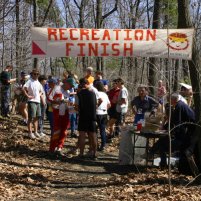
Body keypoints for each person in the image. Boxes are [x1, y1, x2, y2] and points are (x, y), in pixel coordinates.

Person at [150, 93, 195, 170]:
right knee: (162, 142)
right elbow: (173, 122)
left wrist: (169, 132)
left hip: (188, 137)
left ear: (173, 100)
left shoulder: (179, 107)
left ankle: (153, 154)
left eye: (169, 100)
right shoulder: (179, 105)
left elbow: (177, 124)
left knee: (162, 144)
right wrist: (164, 128)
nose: (168, 101)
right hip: (184, 135)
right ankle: (157, 158)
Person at [75, 78, 97, 159]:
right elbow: (96, 104)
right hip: (92, 116)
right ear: (87, 84)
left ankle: (81, 154)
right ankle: (94, 153)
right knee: (93, 134)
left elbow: (77, 107)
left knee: (82, 135)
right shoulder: (93, 93)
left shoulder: (78, 94)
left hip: (83, 116)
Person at [23, 69, 43, 139]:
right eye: (34, 74)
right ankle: (30, 132)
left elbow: (41, 91)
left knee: (37, 117)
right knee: (31, 117)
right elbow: (24, 88)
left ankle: (36, 132)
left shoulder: (38, 82)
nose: (36, 75)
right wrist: (28, 95)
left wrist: (39, 95)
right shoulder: (29, 81)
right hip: (31, 101)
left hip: (38, 101)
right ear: (32, 74)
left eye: (37, 74)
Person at [95, 82, 111, 151]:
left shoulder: (96, 94)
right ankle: (103, 145)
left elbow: (96, 103)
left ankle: (95, 145)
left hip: (97, 113)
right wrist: (105, 109)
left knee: (94, 130)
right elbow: (109, 105)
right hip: (104, 113)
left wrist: (96, 108)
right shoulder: (105, 94)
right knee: (102, 130)